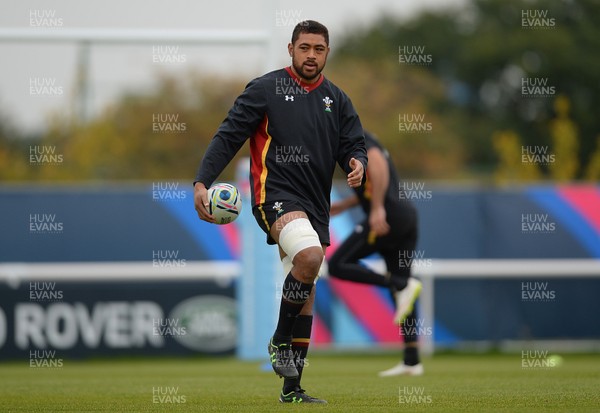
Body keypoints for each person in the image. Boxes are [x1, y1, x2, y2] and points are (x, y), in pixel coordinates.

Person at [193, 20, 367, 403]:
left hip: (315, 205)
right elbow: (228, 135)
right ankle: (277, 341)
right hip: (273, 196)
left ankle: (293, 390)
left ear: (327, 52)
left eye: (318, 49)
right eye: (304, 47)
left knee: (305, 286)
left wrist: (357, 162)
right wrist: (202, 181)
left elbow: (353, 143)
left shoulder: (336, 99)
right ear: (291, 49)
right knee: (310, 255)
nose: (311, 55)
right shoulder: (265, 89)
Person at [328, 131, 424, 377]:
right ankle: (412, 361)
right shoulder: (355, 142)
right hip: (405, 218)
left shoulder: (358, 139)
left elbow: (377, 162)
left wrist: (378, 208)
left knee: (338, 264)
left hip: (387, 218)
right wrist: (347, 204)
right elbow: (372, 184)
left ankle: (398, 283)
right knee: (404, 295)